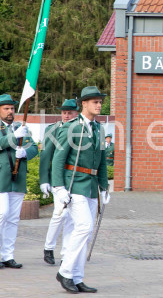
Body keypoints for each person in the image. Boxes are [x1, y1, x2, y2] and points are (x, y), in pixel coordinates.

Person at [52, 86, 110, 294]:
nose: (99, 104)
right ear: (84, 104)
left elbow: (102, 161)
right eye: (94, 101)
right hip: (74, 182)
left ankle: (77, 277)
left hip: (91, 185)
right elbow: (58, 158)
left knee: (86, 232)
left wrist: (104, 186)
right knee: (84, 227)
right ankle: (65, 272)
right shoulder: (72, 127)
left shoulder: (99, 128)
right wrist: (58, 187)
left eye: (100, 101)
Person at [0, 94, 39, 269]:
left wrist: (25, 153)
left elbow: (34, 148)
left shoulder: (21, 127)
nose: (10, 111)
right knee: (1, 214)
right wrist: (14, 137)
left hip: (18, 177)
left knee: (13, 218)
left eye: (12, 108)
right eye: (6, 108)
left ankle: (8, 255)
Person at [40, 99, 79, 265]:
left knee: (71, 217)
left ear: (76, 113)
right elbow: (46, 155)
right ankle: (49, 247)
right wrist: (44, 179)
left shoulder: (80, 128)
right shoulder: (53, 129)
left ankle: (66, 254)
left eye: (69, 112)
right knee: (60, 214)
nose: (66, 115)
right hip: (58, 179)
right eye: (64, 112)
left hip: (75, 179)